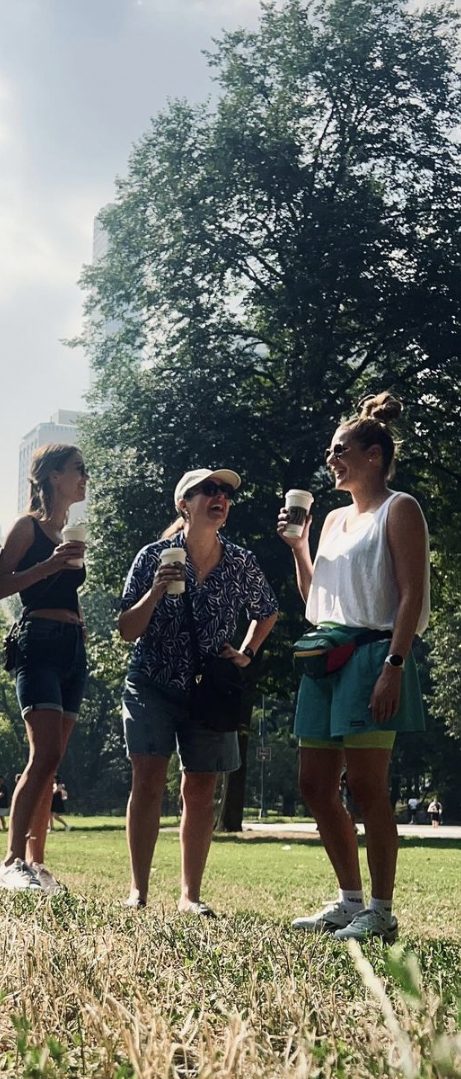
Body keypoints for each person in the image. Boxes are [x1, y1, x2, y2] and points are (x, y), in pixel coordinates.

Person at [279, 393, 430, 944]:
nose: (330, 458)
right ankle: (348, 902)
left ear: (373, 454)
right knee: (315, 784)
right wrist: (299, 546)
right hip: (325, 654)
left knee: (368, 786)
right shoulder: (336, 519)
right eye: (329, 451)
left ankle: (383, 910)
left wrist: (394, 663)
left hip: (373, 653)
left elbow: (412, 593)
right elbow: (316, 601)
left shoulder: (400, 508)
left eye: (340, 450)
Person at [119, 467, 278, 914]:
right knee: (148, 780)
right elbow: (127, 631)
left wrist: (247, 652)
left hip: (210, 693)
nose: (219, 497)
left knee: (201, 788)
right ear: (182, 504)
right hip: (152, 683)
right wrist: (153, 593)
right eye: (208, 490)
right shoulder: (153, 556)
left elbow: (267, 610)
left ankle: (190, 895)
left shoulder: (240, 562)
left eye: (225, 492)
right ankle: (138, 891)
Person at [0, 443, 89, 893]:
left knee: (54, 762)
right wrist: (49, 565)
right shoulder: (26, 528)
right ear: (51, 476)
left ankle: (37, 864)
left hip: (73, 647)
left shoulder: (70, 530)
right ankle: (11, 862)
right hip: (37, 643)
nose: (85, 477)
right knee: (42, 754)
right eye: (76, 470)